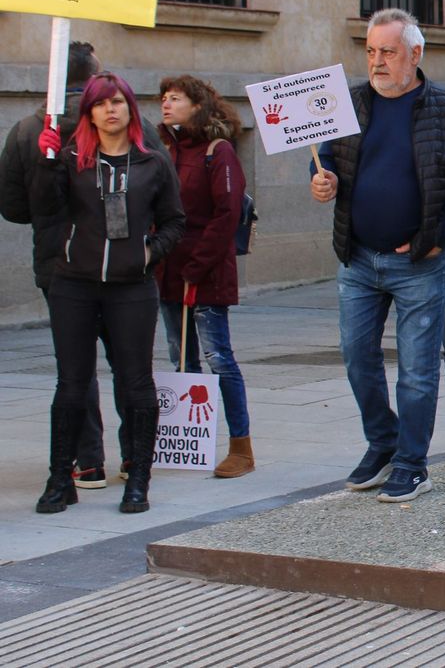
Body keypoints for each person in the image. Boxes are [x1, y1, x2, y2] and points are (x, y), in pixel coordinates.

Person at [310, 8, 445, 503]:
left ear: (415, 54)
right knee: (356, 357)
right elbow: (327, 161)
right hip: (358, 257)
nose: (377, 61)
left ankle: (412, 461)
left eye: (387, 51)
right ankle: (383, 442)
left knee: (417, 368)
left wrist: (438, 236)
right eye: (370, 51)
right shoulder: (347, 103)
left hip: (420, 263)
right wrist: (322, 181)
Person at [1, 41, 162, 489]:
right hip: (120, 270)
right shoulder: (136, 125)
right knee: (131, 367)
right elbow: (161, 190)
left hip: (60, 267)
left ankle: (87, 461)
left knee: (74, 371)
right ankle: (135, 458)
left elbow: (12, 207)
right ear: (95, 76)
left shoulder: (26, 130)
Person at [31, 73, 185, 514]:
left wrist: (148, 253)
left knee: (137, 384)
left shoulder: (153, 163)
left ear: (130, 109)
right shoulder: (70, 160)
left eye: (117, 102)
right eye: (100, 104)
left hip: (131, 288)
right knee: (72, 384)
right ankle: (61, 478)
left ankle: (138, 479)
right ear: (89, 114)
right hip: (74, 285)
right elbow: (43, 208)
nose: (110, 110)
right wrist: (45, 162)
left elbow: (175, 220)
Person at [155, 74, 256, 478]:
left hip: (205, 274)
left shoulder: (220, 152)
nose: (165, 104)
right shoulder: (164, 150)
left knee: (219, 359)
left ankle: (240, 447)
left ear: (197, 105)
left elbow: (225, 215)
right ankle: (189, 443)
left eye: (175, 98)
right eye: (163, 97)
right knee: (180, 358)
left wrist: (196, 267)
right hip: (167, 271)